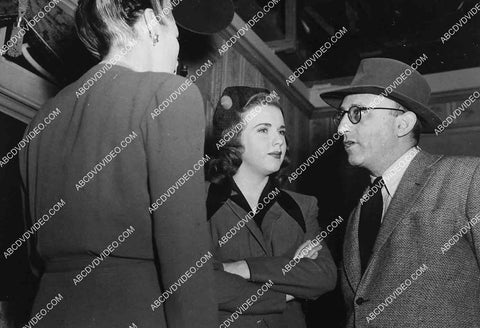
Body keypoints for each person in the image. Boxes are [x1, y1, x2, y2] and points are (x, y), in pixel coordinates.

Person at [18, 0, 232, 326]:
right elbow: (184, 258)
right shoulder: (169, 94)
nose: (178, 54)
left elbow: (34, 258)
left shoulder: (41, 119)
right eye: (176, 35)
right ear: (150, 24)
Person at [320, 57, 480, 327]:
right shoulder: (357, 211)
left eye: (357, 113)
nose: (341, 128)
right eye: (342, 115)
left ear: (402, 124)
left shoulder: (468, 178)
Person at [206, 86, 337, 328]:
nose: (279, 141)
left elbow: (324, 276)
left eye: (281, 131)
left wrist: (243, 268)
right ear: (232, 140)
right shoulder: (200, 203)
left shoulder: (302, 205)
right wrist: (289, 290)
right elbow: (202, 285)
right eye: (263, 130)